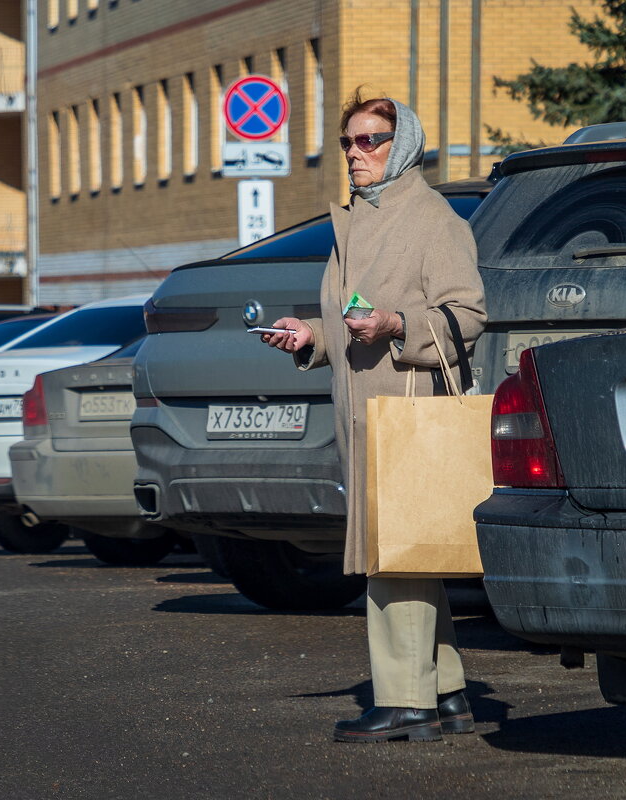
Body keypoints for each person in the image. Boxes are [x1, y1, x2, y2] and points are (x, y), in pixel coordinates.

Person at [263, 92, 487, 743]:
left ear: (405, 145)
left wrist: (397, 326)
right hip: (363, 415)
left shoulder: (432, 219)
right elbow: (347, 316)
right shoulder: (357, 220)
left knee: (398, 555)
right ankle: (444, 695)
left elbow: (468, 314)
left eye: (373, 141)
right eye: (350, 142)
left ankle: (405, 700)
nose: (357, 154)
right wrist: (311, 335)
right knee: (403, 550)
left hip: (410, 412)